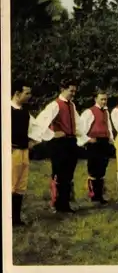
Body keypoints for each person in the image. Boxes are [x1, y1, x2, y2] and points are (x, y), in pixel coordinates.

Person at [36, 79, 83, 213]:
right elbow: (40, 122)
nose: (73, 94)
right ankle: (56, 203)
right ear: (63, 89)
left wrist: (83, 138)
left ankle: (65, 204)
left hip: (70, 142)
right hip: (59, 144)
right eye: (71, 91)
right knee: (59, 173)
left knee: (68, 174)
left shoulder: (72, 105)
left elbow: (78, 125)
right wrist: (52, 134)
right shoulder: (54, 105)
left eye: (75, 91)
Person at [11, 80, 45, 225]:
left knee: (21, 186)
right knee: (10, 185)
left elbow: (36, 129)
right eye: (27, 93)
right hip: (12, 152)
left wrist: (33, 141)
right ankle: (8, 219)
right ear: (17, 94)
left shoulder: (25, 112)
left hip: (24, 152)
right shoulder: (6, 110)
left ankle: (16, 219)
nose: (30, 96)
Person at [77, 88, 115, 205]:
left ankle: (100, 195)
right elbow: (81, 129)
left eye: (105, 99)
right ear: (95, 99)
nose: (104, 102)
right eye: (102, 99)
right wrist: (88, 139)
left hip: (104, 142)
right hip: (94, 143)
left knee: (102, 169)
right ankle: (94, 195)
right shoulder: (89, 112)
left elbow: (108, 127)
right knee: (94, 169)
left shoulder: (106, 112)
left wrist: (111, 138)